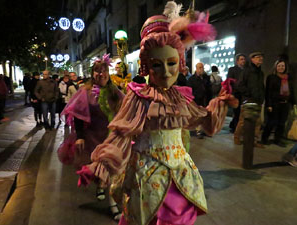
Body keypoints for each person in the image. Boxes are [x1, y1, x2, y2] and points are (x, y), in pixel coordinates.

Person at [78, 4, 237, 224]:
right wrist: (101, 166)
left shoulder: (179, 97)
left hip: (180, 174)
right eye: (157, 65)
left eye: (171, 63)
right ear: (146, 66)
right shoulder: (138, 96)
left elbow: (203, 120)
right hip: (146, 175)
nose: (165, 72)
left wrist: (221, 102)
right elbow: (122, 134)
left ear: (180, 62)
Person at [59, 54, 124, 221]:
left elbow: (124, 110)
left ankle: (113, 204)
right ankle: (101, 187)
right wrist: (80, 136)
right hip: (93, 137)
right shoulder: (85, 92)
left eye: (104, 71)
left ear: (108, 73)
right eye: (97, 71)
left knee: (111, 170)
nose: (101, 74)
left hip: (111, 137)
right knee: (98, 169)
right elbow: (78, 116)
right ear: (92, 74)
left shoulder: (114, 91)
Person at [238, 52, 265, 168]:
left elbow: (261, 87)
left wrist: (261, 98)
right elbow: (239, 85)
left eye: (261, 57)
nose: (260, 59)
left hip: (257, 103)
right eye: (258, 57)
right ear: (252, 59)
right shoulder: (247, 71)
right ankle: (247, 163)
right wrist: (249, 95)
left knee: (254, 130)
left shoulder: (261, 73)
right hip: (249, 103)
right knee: (248, 132)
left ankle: (249, 162)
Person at [261, 60, 295, 147]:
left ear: (285, 67)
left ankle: (277, 139)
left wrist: (294, 102)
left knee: (282, 123)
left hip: (285, 104)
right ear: (276, 67)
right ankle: (264, 138)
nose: (281, 68)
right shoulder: (271, 77)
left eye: (282, 66)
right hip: (274, 103)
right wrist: (269, 104)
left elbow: (292, 90)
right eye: (279, 66)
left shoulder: (288, 77)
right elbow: (268, 92)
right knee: (271, 122)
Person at [188, 62, 212, 138]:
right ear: (196, 68)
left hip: (205, 99)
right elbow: (189, 90)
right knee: (198, 116)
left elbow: (209, 88)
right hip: (197, 100)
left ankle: (204, 130)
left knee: (205, 115)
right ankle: (198, 131)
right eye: (200, 68)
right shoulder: (192, 79)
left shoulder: (206, 78)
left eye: (202, 67)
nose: (202, 69)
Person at [227, 53, 247, 133]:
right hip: (236, 93)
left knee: (242, 112)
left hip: (244, 94)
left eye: (244, 59)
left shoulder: (246, 70)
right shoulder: (232, 69)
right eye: (241, 59)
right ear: (237, 61)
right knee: (237, 112)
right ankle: (235, 128)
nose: (243, 61)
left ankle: (235, 126)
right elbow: (230, 81)